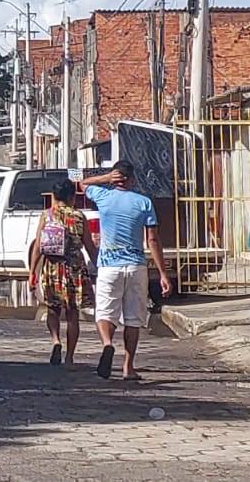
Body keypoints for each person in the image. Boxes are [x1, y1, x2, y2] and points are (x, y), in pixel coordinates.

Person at [79, 160, 172, 380]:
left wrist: (105, 178)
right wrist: (162, 273)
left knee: (104, 313)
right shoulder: (144, 202)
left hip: (109, 267)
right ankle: (128, 367)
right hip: (135, 266)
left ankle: (108, 344)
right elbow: (152, 239)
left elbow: (82, 183)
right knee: (133, 319)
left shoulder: (103, 196)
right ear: (133, 179)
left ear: (116, 179)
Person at [29, 178, 97, 366]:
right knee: (73, 313)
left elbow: (37, 245)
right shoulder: (78, 217)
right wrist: (99, 266)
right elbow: (89, 246)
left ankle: (56, 341)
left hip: (52, 266)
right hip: (74, 268)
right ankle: (69, 357)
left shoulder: (47, 215)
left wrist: (32, 271)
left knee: (53, 309)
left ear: (53, 196)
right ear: (71, 197)